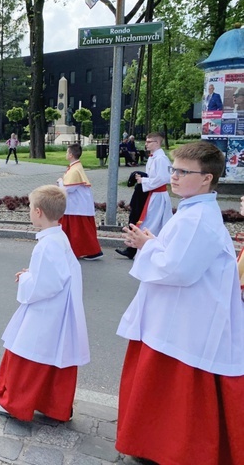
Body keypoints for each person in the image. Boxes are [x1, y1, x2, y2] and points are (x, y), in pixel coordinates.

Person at [115, 141, 244, 465]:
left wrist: (147, 247)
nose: (173, 176)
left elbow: (178, 269)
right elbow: (178, 257)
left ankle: (167, 451)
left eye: (182, 171)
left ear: (206, 179)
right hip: (176, 318)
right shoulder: (193, 209)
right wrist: (152, 243)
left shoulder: (198, 218)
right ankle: (151, 446)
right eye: (174, 168)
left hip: (186, 325)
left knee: (175, 396)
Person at [0, 185, 90, 422]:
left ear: (39, 212)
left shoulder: (46, 245)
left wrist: (26, 278)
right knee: (53, 356)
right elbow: (56, 274)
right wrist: (33, 273)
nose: (29, 212)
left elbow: (45, 285)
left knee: (28, 352)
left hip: (46, 311)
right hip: (59, 309)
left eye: (30, 208)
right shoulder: (59, 238)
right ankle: (53, 405)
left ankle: (14, 403)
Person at [116, 132, 172, 259]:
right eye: (146, 141)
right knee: (150, 221)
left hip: (158, 196)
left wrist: (144, 181)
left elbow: (163, 178)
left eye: (149, 141)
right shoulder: (153, 158)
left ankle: (145, 249)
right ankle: (137, 249)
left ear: (157, 143)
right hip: (152, 194)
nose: (146, 144)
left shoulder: (161, 159)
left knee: (152, 223)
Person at [57, 143, 103, 260]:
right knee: (78, 230)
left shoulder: (74, 170)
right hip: (77, 205)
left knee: (78, 231)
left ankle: (91, 251)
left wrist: (60, 182)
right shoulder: (76, 167)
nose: (66, 154)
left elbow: (68, 188)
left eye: (67, 152)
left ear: (71, 155)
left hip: (76, 206)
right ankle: (71, 250)